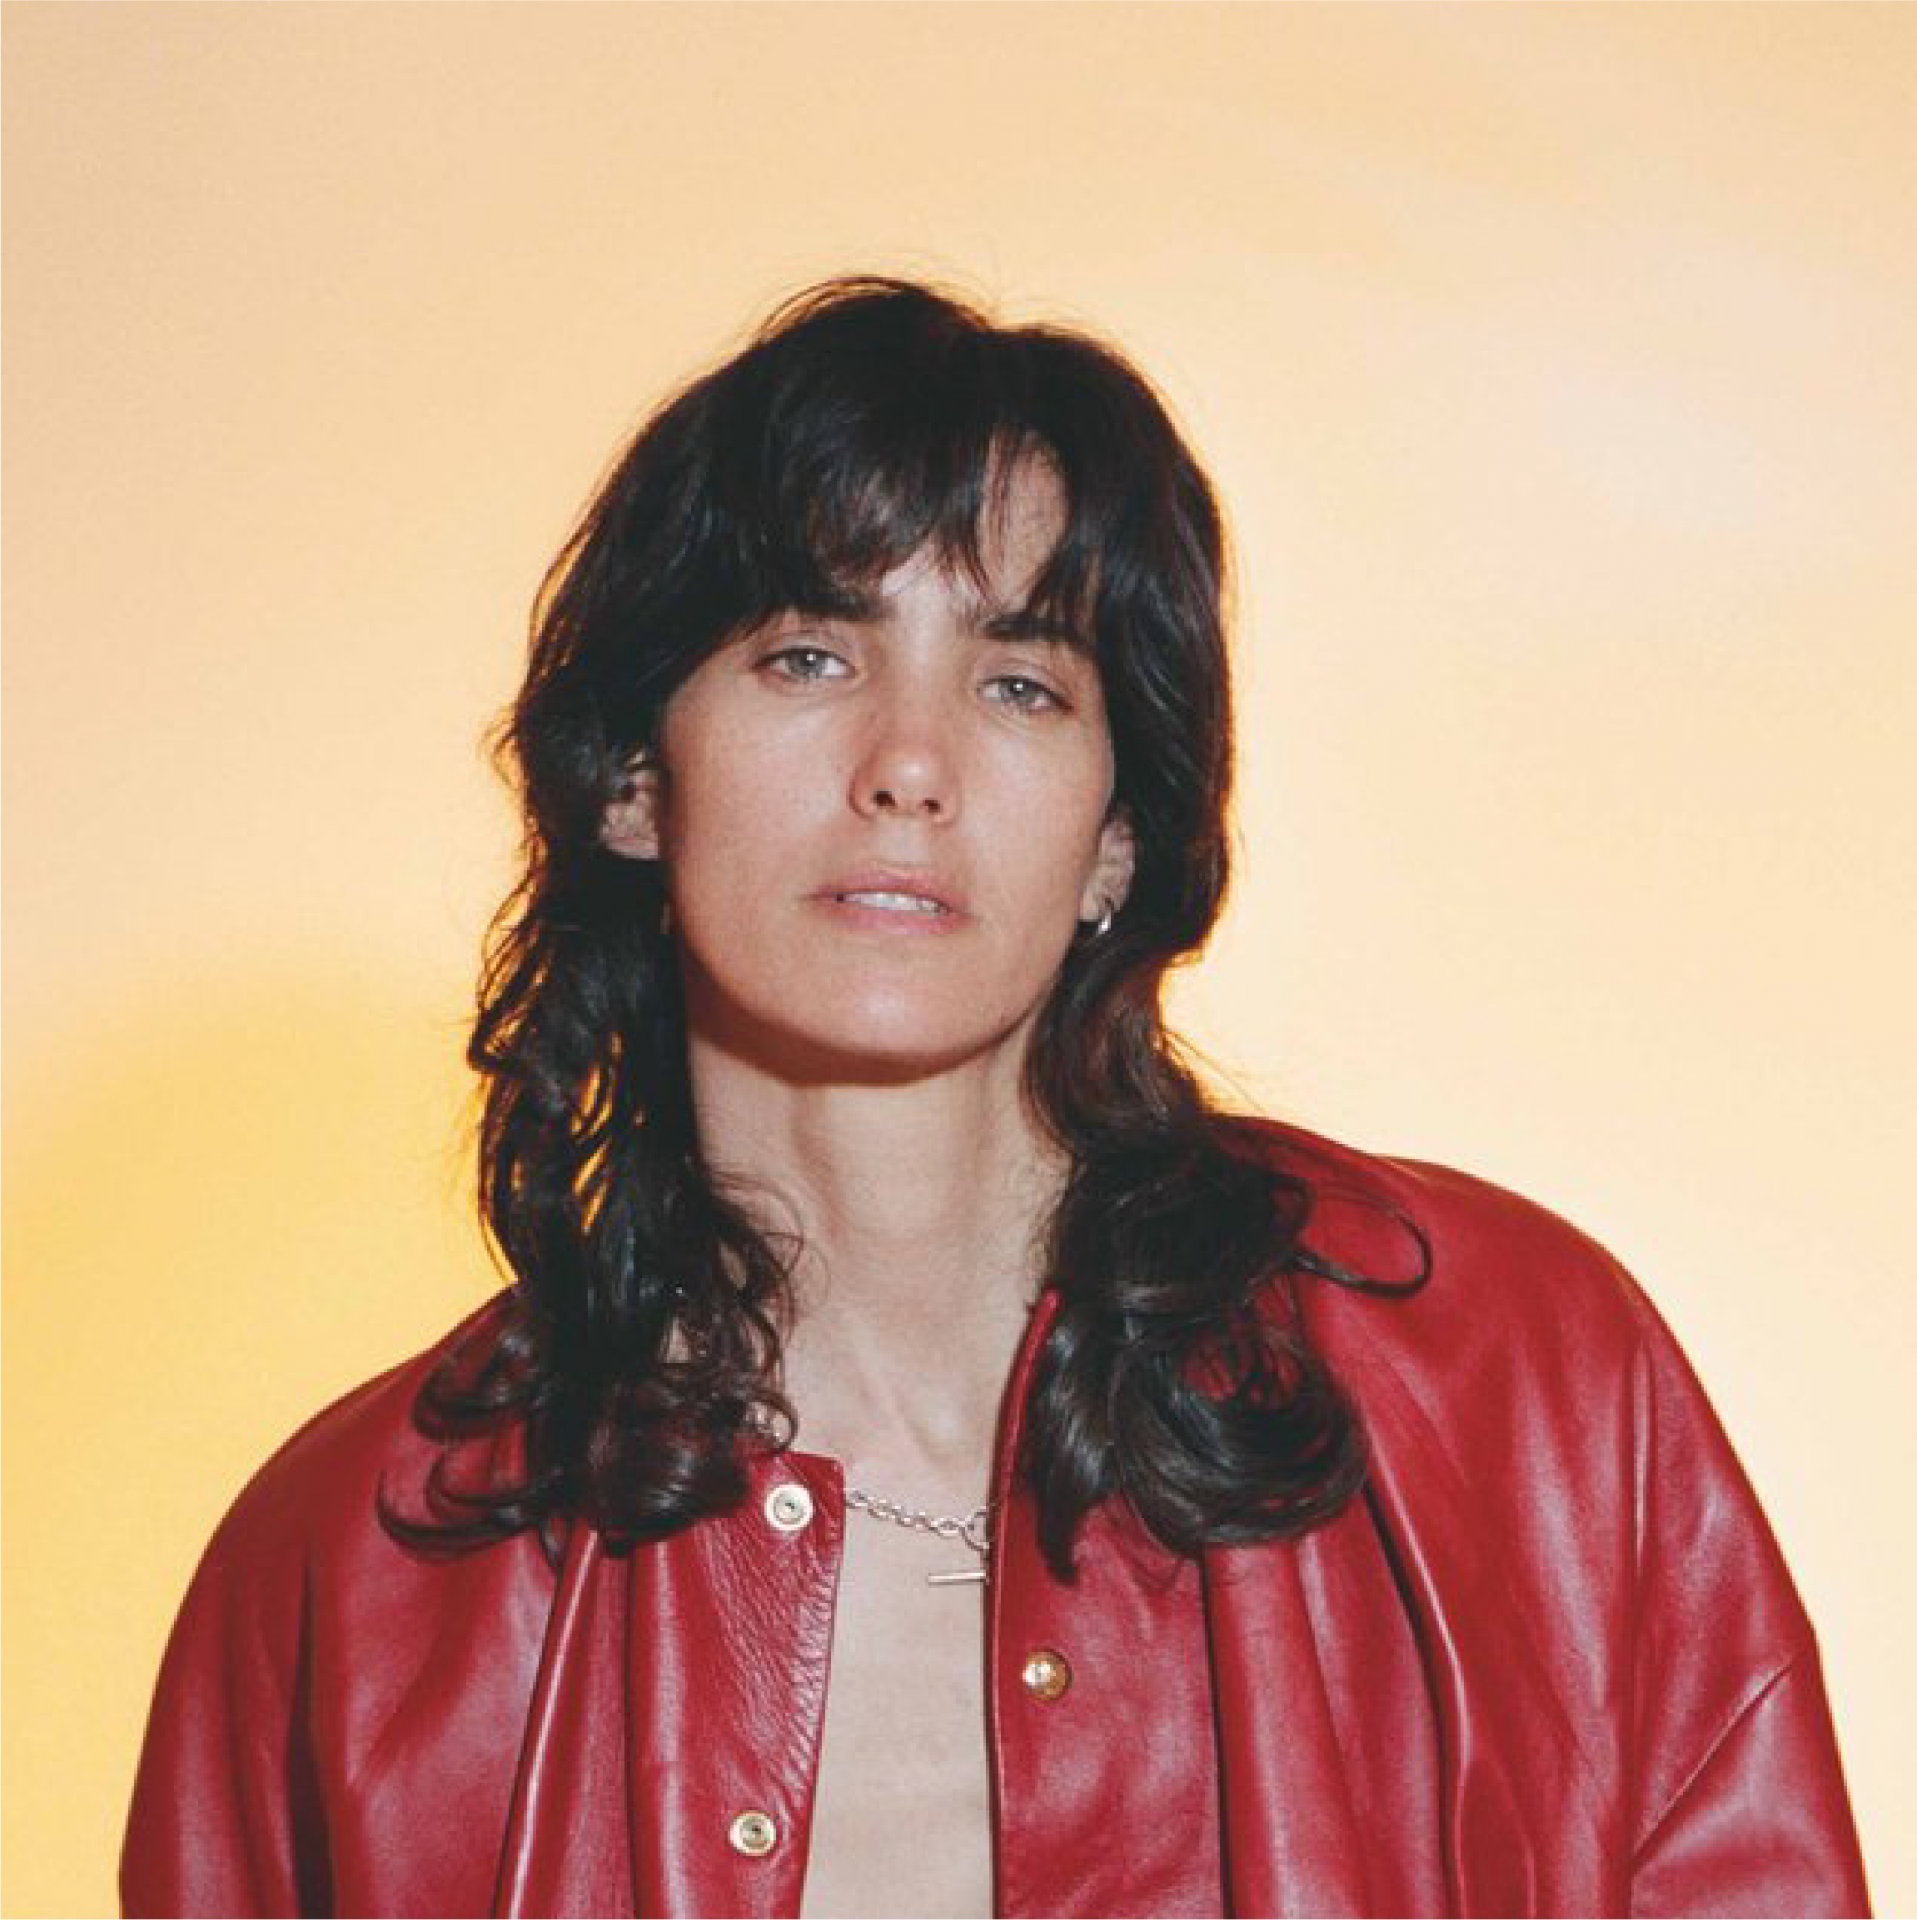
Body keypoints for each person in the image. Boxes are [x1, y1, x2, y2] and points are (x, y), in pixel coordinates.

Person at [121, 277, 1872, 1918]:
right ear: (634, 780)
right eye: (809, 655)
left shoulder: (1517, 1385)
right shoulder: (347, 1577)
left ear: (1118, 838)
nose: (909, 766)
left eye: (1022, 682)